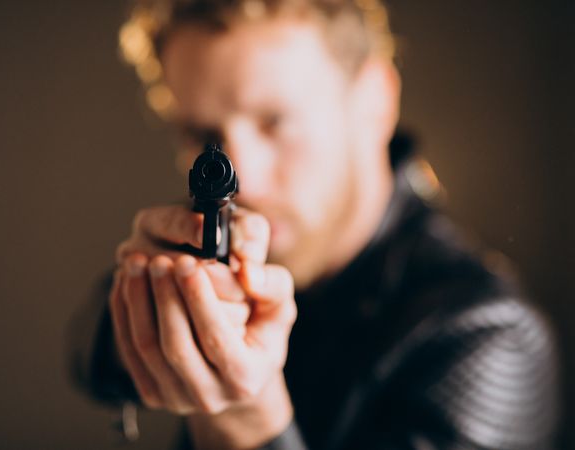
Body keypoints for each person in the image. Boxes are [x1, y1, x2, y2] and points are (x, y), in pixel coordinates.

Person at [70, 0, 560, 448]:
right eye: (203, 135)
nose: (243, 179)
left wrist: (245, 424)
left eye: (276, 121)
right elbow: (85, 349)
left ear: (375, 100)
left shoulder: (488, 341)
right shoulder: (224, 226)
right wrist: (142, 304)